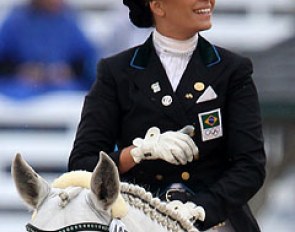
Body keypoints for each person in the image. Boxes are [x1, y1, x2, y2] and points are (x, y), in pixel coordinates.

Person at [68, 0, 266, 231]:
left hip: (213, 218)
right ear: (158, 5)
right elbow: (81, 165)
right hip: (137, 218)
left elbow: (250, 166)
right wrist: (138, 152)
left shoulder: (233, 70)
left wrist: (199, 208)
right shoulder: (116, 72)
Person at [0, 0, 99, 98]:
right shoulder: (15, 22)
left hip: (65, 92)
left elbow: (88, 61)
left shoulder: (69, 21)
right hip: (21, 93)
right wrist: (19, 71)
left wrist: (69, 71)